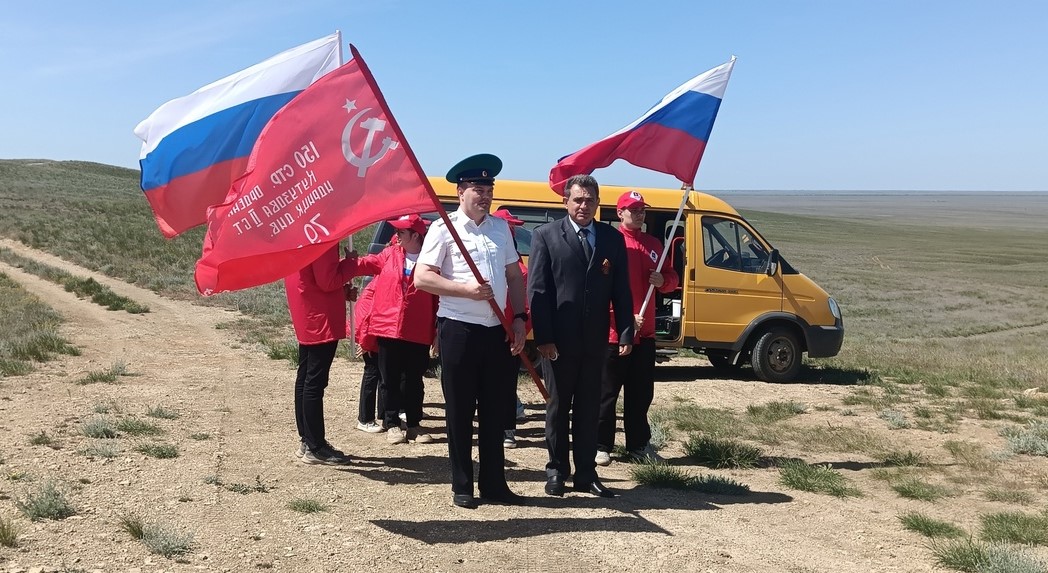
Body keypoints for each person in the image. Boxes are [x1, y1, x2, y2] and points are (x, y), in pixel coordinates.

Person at [414, 154, 528, 509]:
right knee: (460, 410)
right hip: (459, 330)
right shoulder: (444, 229)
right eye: (478, 189)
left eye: (488, 188)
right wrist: (466, 290)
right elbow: (422, 278)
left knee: (495, 410)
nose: (485, 195)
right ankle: (462, 484)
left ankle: (494, 484)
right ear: (460, 192)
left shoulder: (499, 229)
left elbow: (513, 276)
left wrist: (521, 318)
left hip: (497, 330)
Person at [528, 174, 634, 498]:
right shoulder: (545, 236)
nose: (583, 205)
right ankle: (557, 471)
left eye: (589, 200)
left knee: (589, 409)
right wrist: (543, 337)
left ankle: (586, 474)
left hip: (595, 342)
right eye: (577, 199)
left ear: (598, 203)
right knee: (558, 407)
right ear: (565, 202)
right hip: (557, 343)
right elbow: (538, 290)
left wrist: (627, 330)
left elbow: (621, 289)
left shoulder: (611, 239)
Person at [596, 191, 680, 466]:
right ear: (620, 213)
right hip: (614, 332)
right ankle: (601, 445)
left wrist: (663, 281)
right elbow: (599, 289)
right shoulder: (610, 242)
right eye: (633, 209)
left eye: (642, 209)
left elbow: (672, 278)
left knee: (641, 393)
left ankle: (639, 445)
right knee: (606, 393)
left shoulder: (655, 243)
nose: (639, 214)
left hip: (646, 334)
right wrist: (624, 318)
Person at [348, 214, 438, 445]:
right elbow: (368, 263)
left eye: (401, 232)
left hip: (417, 330)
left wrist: (436, 330)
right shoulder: (389, 255)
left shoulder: (433, 260)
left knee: (414, 380)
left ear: (415, 235)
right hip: (388, 327)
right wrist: (348, 263)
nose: (397, 236)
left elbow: (438, 298)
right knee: (389, 378)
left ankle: (414, 425)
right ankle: (392, 424)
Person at [286, 243, 356, 465]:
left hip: (307, 312)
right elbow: (327, 281)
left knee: (305, 378)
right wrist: (350, 264)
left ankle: (307, 440)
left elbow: (314, 278)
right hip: (320, 318)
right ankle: (316, 446)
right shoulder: (322, 238)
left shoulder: (301, 236)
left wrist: (342, 290)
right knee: (314, 382)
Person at [491, 208, 530, 449]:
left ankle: (507, 429)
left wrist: (521, 328)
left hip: (510, 332)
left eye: (513, 227)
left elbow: (525, 302)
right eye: (509, 226)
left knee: (507, 383)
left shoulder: (518, 265)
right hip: (487, 327)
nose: (513, 231)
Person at [353, 279, 385, 433]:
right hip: (369, 331)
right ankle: (365, 419)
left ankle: (382, 412)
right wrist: (366, 342)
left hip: (371, 330)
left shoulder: (379, 280)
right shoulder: (384, 283)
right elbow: (369, 315)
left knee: (380, 372)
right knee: (372, 372)